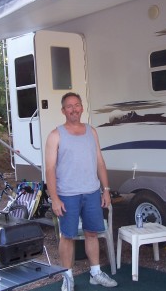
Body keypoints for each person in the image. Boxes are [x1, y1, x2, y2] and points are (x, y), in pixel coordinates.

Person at [45, 92, 118, 291]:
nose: (74, 109)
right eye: (69, 106)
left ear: (82, 107)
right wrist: (54, 198)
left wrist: (106, 190)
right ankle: (67, 277)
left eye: (77, 105)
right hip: (67, 195)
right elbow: (50, 169)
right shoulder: (55, 135)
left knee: (92, 233)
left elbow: (100, 162)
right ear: (63, 110)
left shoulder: (91, 131)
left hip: (92, 192)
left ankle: (95, 272)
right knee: (67, 236)